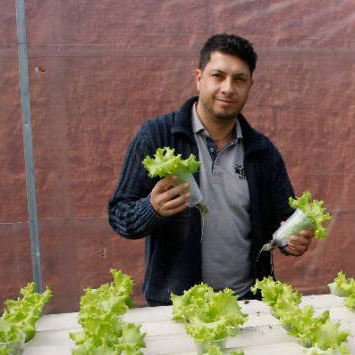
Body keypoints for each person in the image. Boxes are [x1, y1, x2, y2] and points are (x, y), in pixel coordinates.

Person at [108, 33, 313, 305]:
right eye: (218, 76)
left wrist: (294, 240)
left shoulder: (263, 151)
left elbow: (285, 220)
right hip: (177, 307)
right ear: (199, 77)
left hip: (246, 305)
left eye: (239, 79)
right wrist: (152, 209)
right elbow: (120, 215)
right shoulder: (157, 136)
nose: (228, 88)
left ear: (250, 85)